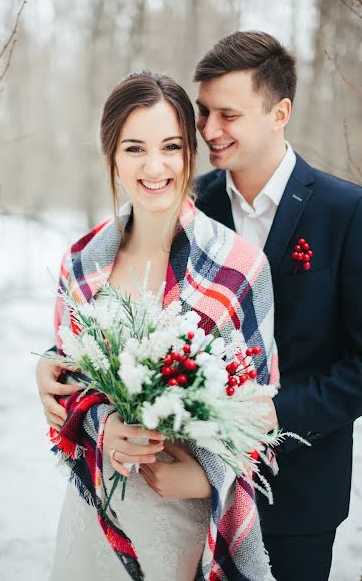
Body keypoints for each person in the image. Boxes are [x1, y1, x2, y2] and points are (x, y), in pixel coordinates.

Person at [38, 71, 279, 581]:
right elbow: (70, 386)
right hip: (96, 508)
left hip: (185, 524)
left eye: (170, 146)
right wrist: (104, 428)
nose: (154, 167)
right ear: (111, 156)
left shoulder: (238, 267)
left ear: (189, 153)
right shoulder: (80, 263)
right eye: (134, 148)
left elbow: (260, 411)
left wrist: (204, 477)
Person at [193, 31, 362, 581]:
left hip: (299, 497)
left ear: (279, 112)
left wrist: (275, 415)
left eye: (227, 114)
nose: (209, 131)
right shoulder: (192, 205)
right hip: (196, 492)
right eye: (203, 113)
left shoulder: (346, 211)